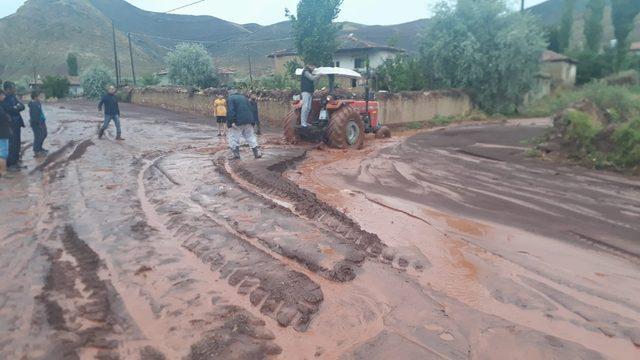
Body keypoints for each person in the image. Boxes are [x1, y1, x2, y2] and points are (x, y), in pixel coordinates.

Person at [226, 90, 262, 160]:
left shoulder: (230, 98)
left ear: (229, 94)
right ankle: (256, 153)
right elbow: (251, 109)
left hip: (238, 121)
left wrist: (231, 121)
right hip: (249, 120)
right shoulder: (244, 98)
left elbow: (230, 110)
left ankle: (236, 155)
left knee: (234, 137)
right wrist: (253, 121)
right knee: (250, 137)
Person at [2, 82, 26, 171]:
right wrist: (16, 107)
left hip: (17, 123)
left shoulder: (13, 97)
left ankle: (15, 162)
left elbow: (22, 106)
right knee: (11, 144)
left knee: (17, 143)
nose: (15, 89)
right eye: (13, 88)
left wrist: (15, 107)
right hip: (10, 125)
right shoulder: (3, 99)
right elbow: (8, 109)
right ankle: (10, 164)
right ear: (8, 89)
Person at [29, 91, 48, 157]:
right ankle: (36, 151)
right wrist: (38, 123)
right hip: (36, 123)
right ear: (35, 97)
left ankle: (39, 148)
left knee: (44, 134)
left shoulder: (37, 103)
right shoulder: (33, 104)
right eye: (39, 97)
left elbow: (39, 112)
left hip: (42, 121)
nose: (41, 98)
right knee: (38, 136)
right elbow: (34, 116)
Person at [0, 90, 11, 177]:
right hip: (2, 132)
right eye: (3, 95)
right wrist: (8, 118)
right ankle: (3, 172)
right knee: (3, 153)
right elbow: (3, 118)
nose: (4, 97)